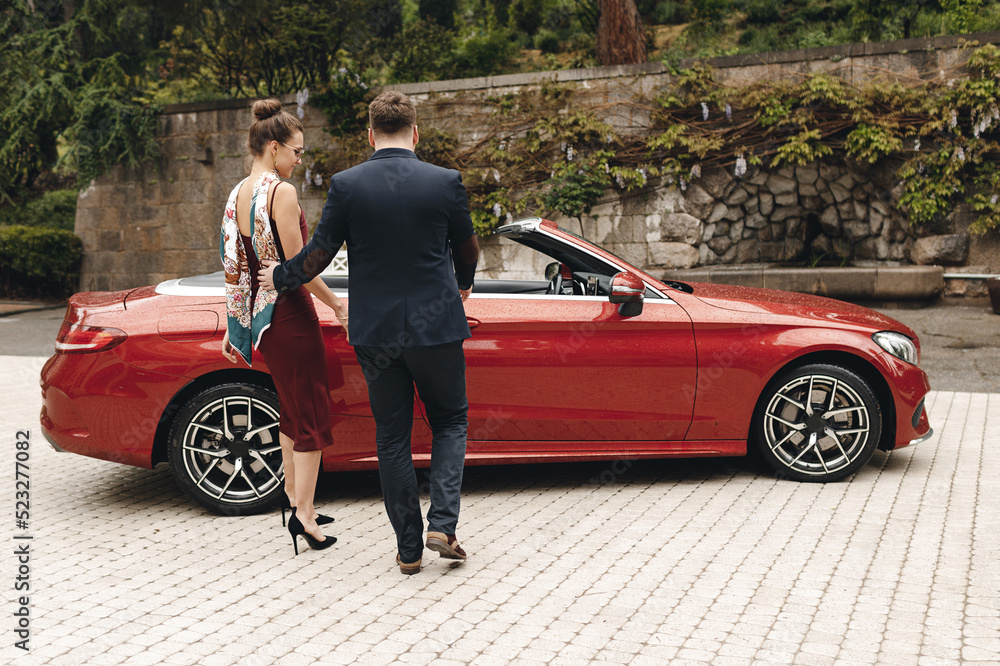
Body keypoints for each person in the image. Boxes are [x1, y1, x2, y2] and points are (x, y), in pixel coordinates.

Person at [259, 90, 479, 575]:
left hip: (376, 332)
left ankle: (408, 550)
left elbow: (318, 254)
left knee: (392, 437)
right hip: (436, 326)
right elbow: (467, 247)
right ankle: (443, 525)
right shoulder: (444, 181)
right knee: (450, 422)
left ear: (370, 135)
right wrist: (463, 284)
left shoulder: (347, 185)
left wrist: (279, 276)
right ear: (415, 132)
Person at [220, 98, 349, 555]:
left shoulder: (238, 193)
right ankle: (305, 517)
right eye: (296, 151)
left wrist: (233, 323)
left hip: (264, 322)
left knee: (292, 412)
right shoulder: (282, 193)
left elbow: (237, 268)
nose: (299, 160)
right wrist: (337, 305)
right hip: (292, 315)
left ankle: (294, 499)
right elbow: (299, 269)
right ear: (274, 147)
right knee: (310, 414)